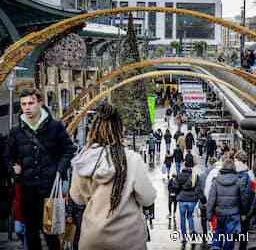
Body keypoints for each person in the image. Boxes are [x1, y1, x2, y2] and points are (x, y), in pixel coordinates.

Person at [70, 103, 156, 250]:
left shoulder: (84, 160)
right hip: (128, 238)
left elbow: (76, 197)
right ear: (119, 129)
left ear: (93, 129)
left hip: (93, 237)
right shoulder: (131, 159)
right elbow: (147, 197)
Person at [4, 89, 75, 250]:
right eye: (23, 104)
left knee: (50, 232)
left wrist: (60, 168)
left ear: (40, 103)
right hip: (28, 188)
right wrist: (12, 167)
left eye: (30, 103)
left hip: (49, 188)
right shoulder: (16, 131)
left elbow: (69, 149)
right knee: (31, 232)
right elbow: (7, 156)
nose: (27, 107)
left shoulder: (55, 127)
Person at [207, 159, 247, 250]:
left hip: (219, 213)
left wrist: (209, 215)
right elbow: (243, 199)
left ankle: (216, 247)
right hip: (233, 214)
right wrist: (244, 212)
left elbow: (211, 198)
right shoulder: (238, 181)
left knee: (218, 233)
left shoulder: (216, 180)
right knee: (230, 237)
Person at [176, 162, 206, 244]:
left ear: (184, 166)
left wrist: (178, 194)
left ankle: (184, 236)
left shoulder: (180, 175)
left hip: (182, 199)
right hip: (192, 200)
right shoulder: (195, 176)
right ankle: (192, 232)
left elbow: (176, 186)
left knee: (182, 218)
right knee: (190, 216)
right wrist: (203, 200)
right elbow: (198, 189)